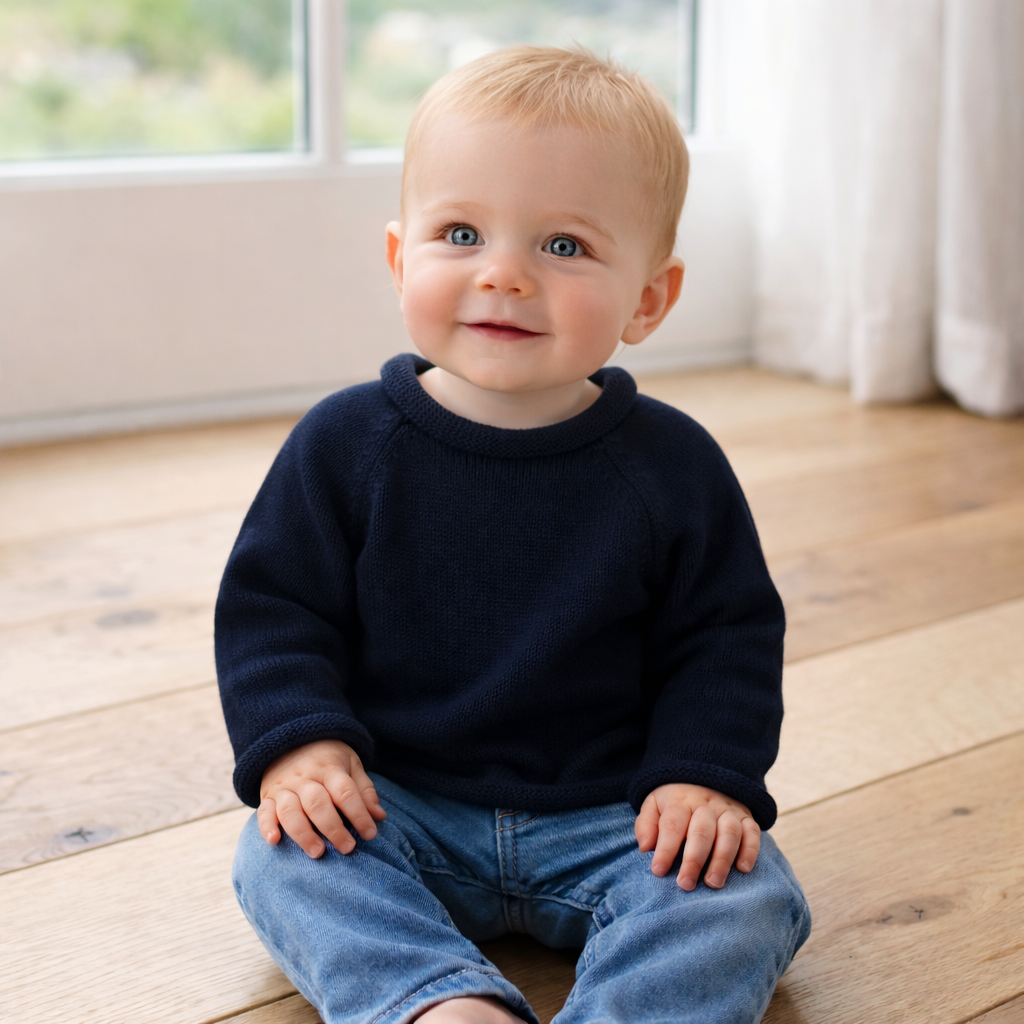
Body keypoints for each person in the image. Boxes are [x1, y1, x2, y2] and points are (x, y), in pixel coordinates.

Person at [217, 46, 810, 1024]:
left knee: (744, 893)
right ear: (400, 259)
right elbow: (274, 611)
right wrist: (303, 746)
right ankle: (435, 1003)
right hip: (397, 797)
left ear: (649, 299)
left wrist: (701, 776)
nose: (503, 275)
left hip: (617, 812)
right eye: (461, 233)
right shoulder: (344, 445)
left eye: (564, 245)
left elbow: (727, 637)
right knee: (283, 856)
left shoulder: (672, 467)